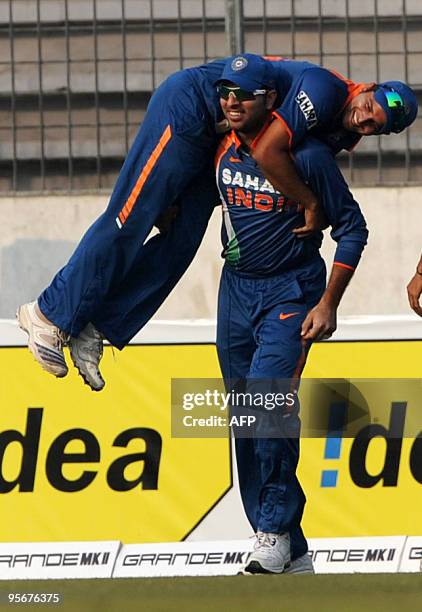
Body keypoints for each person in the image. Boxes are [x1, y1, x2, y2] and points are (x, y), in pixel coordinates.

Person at [16, 55, 418, 389]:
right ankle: (49, 313)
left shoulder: (344, 129)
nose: (363, 120)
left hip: (221, 139)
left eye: (374, 125)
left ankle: (98, 327)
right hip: (191, 108)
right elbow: (268, 151)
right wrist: (310, 203)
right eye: (368, 108)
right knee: (129, 219)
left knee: (181, 243)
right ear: (366, 88)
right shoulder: (328, 90)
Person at [213, 62, 368, 574]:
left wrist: (328, 303)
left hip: (290, 292)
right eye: (225, 95)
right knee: (245, 417)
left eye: (244, 96)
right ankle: (288, 543)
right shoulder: (218, 147)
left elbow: (353, 229)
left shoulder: (308, 155)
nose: (233, 104)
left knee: (267, 401)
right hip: (234, 291)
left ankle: (274, 530)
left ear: (271, 100)